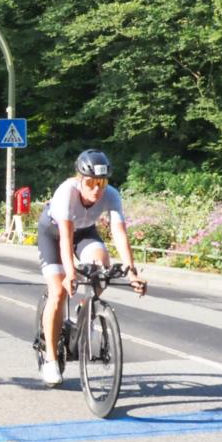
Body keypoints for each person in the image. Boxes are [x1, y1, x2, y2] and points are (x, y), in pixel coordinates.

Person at [36, 149, 147, 387]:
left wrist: (132, 271)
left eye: (102, 183)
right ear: (79, 179)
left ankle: (84, 311)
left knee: (103, 265)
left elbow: (119, 232)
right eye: (90, 183)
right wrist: (71, 274)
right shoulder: (66, 192)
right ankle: (51, 360)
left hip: (84, 233)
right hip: (53, 234)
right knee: (58, 293)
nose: (96, 189)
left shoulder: (112, 195)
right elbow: (65, 238)